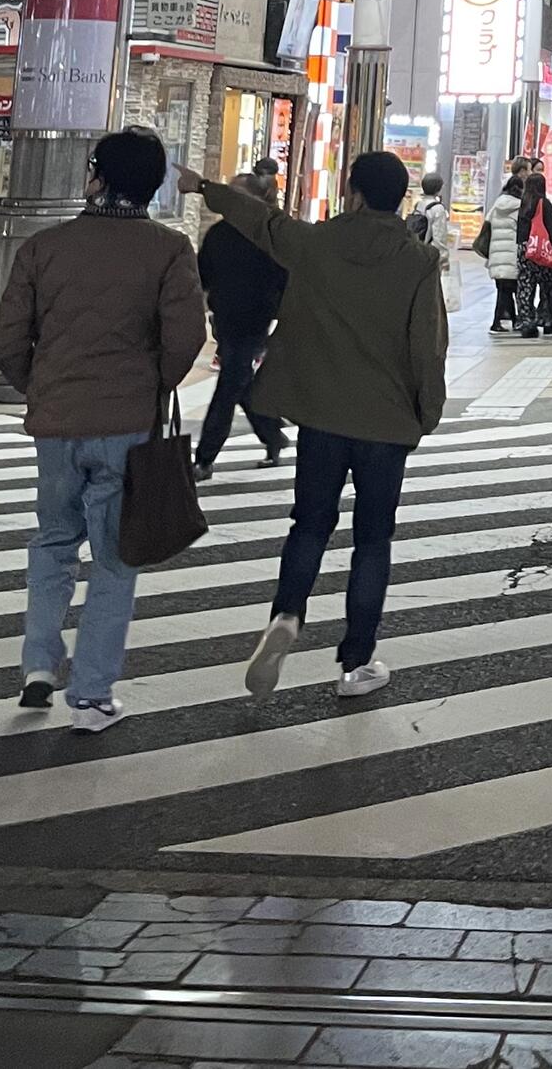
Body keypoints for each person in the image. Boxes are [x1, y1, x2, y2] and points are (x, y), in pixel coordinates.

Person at [181, 147, 445, 702]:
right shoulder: (418, 261)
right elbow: (428, 347)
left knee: (309, 523)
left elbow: (262, 220)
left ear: (352, 191)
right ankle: (356, 662)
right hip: (386, 422)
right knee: (373, 541)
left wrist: (204, 186)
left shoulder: (318, 242)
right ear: (402, 198)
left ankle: (287, 612)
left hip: (322, 415)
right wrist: (427, 413)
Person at [0, 128, 205, 730]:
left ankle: (38, 664)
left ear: (96, 175)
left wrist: (40, 384)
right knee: (114, 557)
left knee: (53, 539)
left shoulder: (45, 246)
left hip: (56, 419)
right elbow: (186, 337)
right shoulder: (168, 249)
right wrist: (152, 384)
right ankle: (90, 694)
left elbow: (6, 339)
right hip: (128, 423)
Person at [193, 162, 288, 480]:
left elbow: (283, 279)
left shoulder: (269, 233)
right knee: (240, 379)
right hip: (226, 318)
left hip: (253, 318)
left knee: (230, 381)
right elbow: (202, 275)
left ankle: (205, 457)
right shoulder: (220, 233)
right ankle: (273, 435)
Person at [515, 169, 552, 337]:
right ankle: (547, 319)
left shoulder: (523, 203)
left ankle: (527, 322)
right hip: (542, 249)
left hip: (525, 249)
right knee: (547, 286)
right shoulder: (544, 203)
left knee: (526, 286)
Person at [484, 168, 522, 333]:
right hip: (511, 254)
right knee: (509, 290)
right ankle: (497, 322)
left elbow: (487, 224)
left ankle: (513, 320)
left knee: (504, 288)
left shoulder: (496, 205)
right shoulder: (519, 208)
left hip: (496, 253)